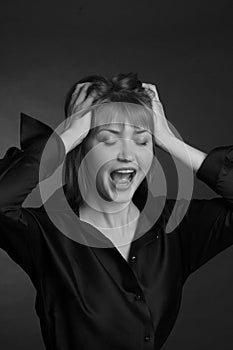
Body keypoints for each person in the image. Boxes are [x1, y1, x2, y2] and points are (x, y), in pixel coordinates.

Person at [0, 72, 233, 350]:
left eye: (143, 141)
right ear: (80, 150)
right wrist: (68, 134)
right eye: (108, 140)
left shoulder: (175, 227)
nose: (127, 154)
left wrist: (171, 140)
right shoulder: (45, 234)